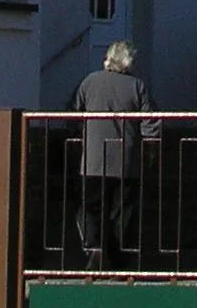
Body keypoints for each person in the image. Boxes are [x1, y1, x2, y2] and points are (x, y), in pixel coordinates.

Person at [73, 39, 151, 267]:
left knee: (91, 208)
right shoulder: (137, 86)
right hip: (126, 163)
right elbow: (150, 124)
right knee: (122, 214)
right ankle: (118, 261)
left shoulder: (89, 82)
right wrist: (150, 152)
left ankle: (94, 247)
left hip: (93, 161)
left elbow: (74, 113)